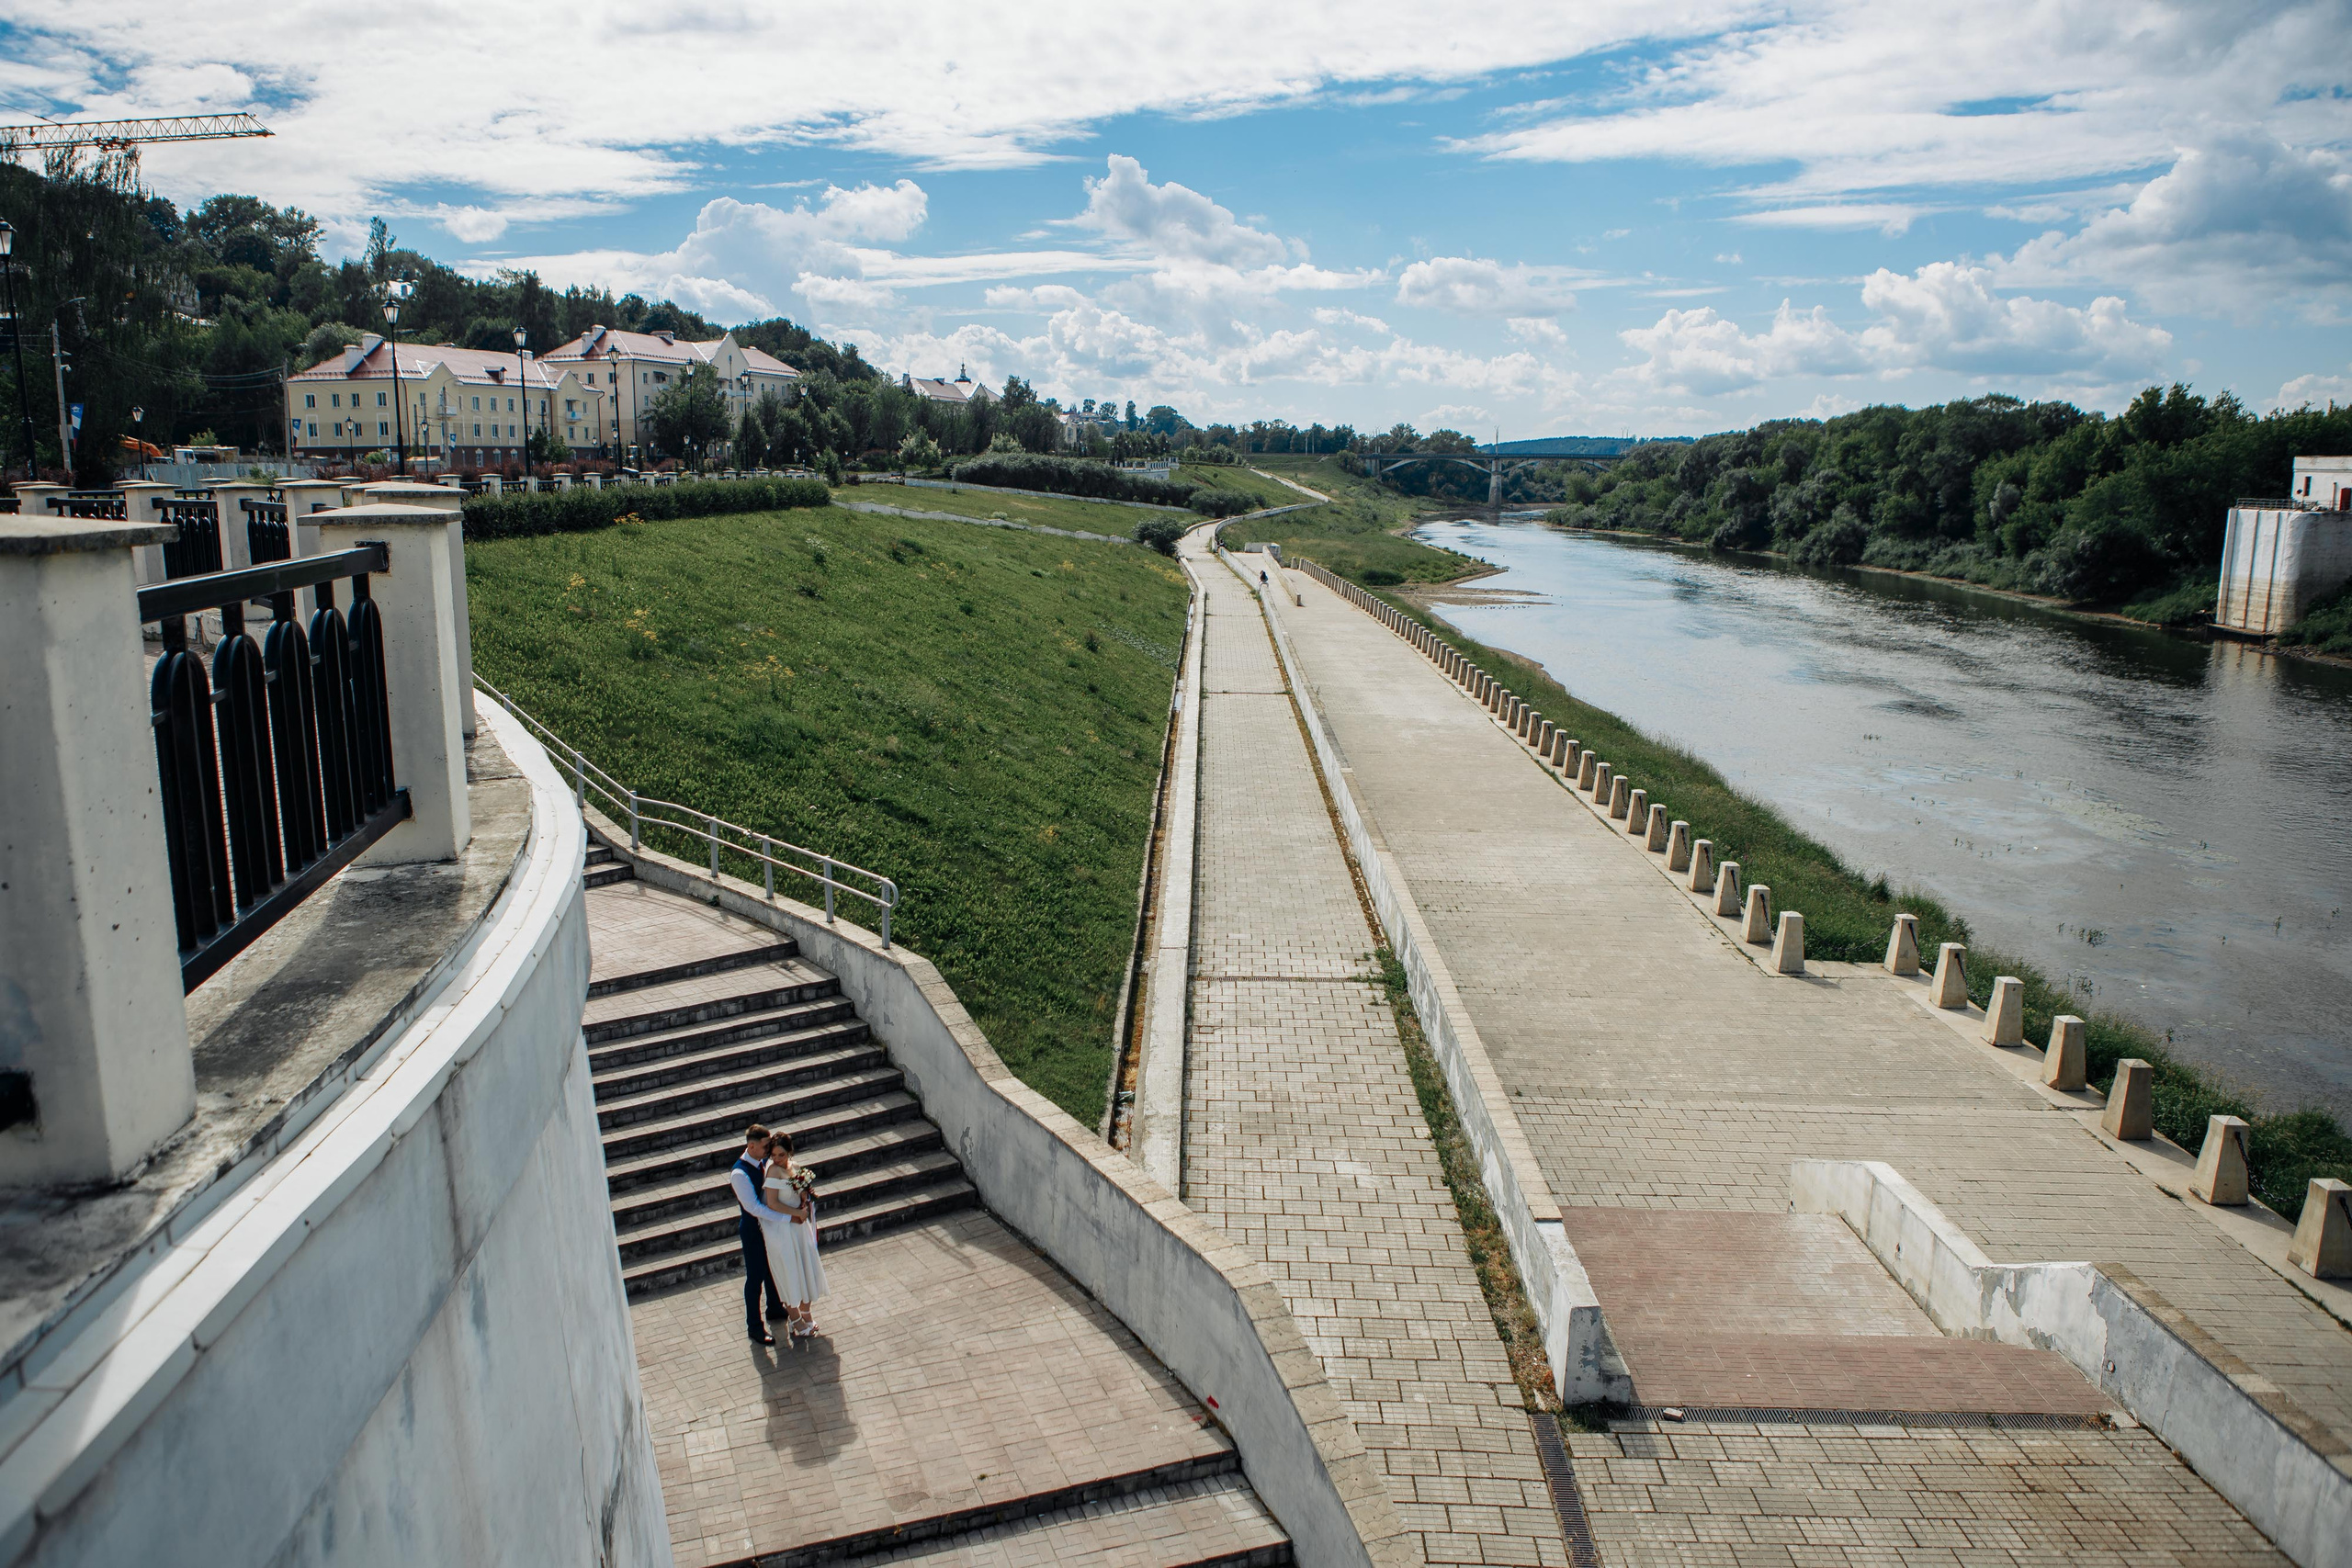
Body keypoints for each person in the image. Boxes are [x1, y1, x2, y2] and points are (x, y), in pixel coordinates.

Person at [728, 1124, 793, 1344]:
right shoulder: (739, 1173)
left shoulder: (765, 1162)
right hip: (753, 1230)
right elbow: (754, 1208)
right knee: (755, 1277)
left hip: (769, 1227)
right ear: (752, 1146)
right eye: (766, 1146)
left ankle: (774, 1307)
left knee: (772, 1268)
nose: (769, 1149)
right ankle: (754, 1327)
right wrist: (787, 1217)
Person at [761, 1133, 828, 1338]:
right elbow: (772, 1203)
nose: (777, 1159)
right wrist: (796, 1213)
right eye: (773, 1155)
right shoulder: (772, 1171)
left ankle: (806, 1312)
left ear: (789, 1152)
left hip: (800, 1227)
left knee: (807, 1268)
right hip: (783, 1229)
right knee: (790, 1271)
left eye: (781, 1155)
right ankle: (795, 1318)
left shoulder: (796, 1168)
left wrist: (804, 1201)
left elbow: (801, 1193)